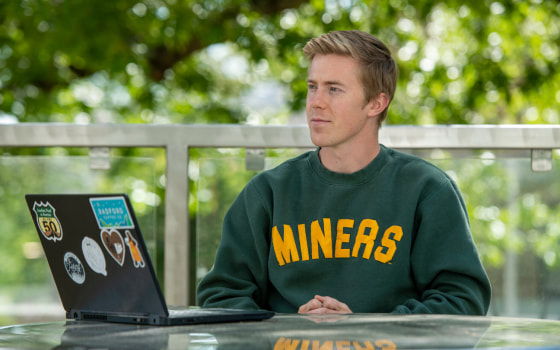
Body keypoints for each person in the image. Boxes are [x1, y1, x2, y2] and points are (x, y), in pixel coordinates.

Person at [197, 30, 491, 315]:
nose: (316, 102)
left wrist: (366, 330)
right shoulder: (268, 192)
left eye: (334, 89)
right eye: (313, 87)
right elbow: (221, 294)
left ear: (377, 103)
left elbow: (462, 299)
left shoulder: (427, 190)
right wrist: (285, 331)